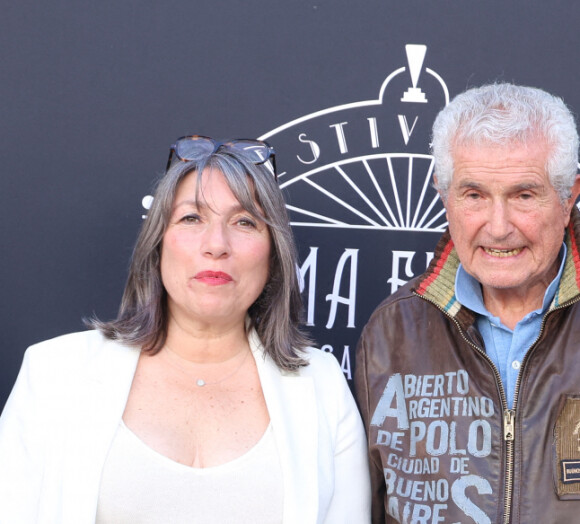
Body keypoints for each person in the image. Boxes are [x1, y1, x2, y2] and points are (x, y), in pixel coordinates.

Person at [0, 135, 371, 523]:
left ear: (274, 253)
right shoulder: (53, 374)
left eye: (245, 222)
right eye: (192, 218)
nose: (216, 244)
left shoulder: (323, 387)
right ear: (157, 242)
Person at [355, 84, 580, 524]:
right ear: (443, 193)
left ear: (569, 196)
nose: (498, 228)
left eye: (523, 195)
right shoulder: (391, 331)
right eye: (474, 195)